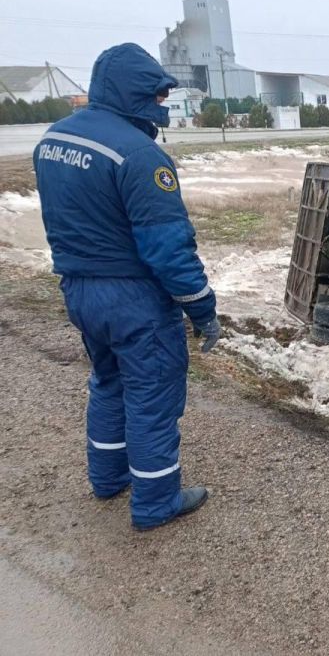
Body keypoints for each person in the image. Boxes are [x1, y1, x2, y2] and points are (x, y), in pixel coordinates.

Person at [33, 43, 220, 531]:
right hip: (132, 298)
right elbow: (167, 248)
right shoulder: (139, 156)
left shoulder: (53, 140)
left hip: (79, 290)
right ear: (133, 92)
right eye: (157, 95)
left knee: (109, 382)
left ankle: (108, 478)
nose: (162, 105)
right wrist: (202, 307)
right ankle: (157, 502)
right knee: (152, 394)